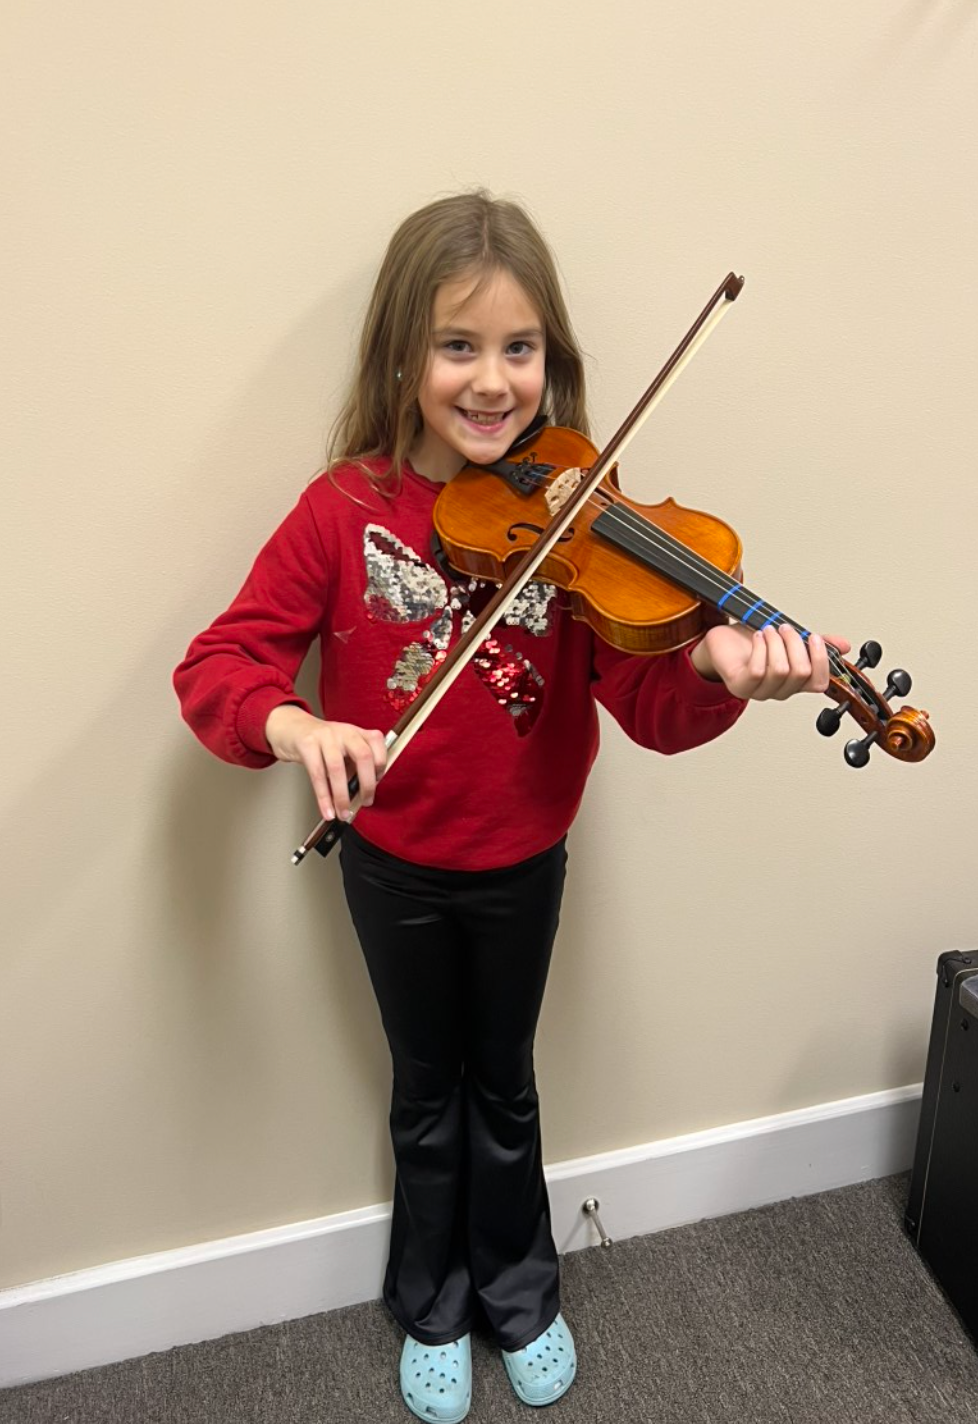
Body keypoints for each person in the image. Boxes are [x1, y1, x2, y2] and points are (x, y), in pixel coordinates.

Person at [173, 191, 848, 1422]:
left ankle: (522, 1290)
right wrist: (299, 723)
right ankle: (432, 1301)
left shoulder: (585, 512)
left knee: (510, 1080)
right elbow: (217, 666)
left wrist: (715, 665)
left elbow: (647, 699)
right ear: (402, 356)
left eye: (520, 348)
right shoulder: (345, 511)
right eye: (458, 346)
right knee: (427, 1088)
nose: (492, 382)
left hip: (526, 858)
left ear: (556, 360)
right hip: (388, 863)